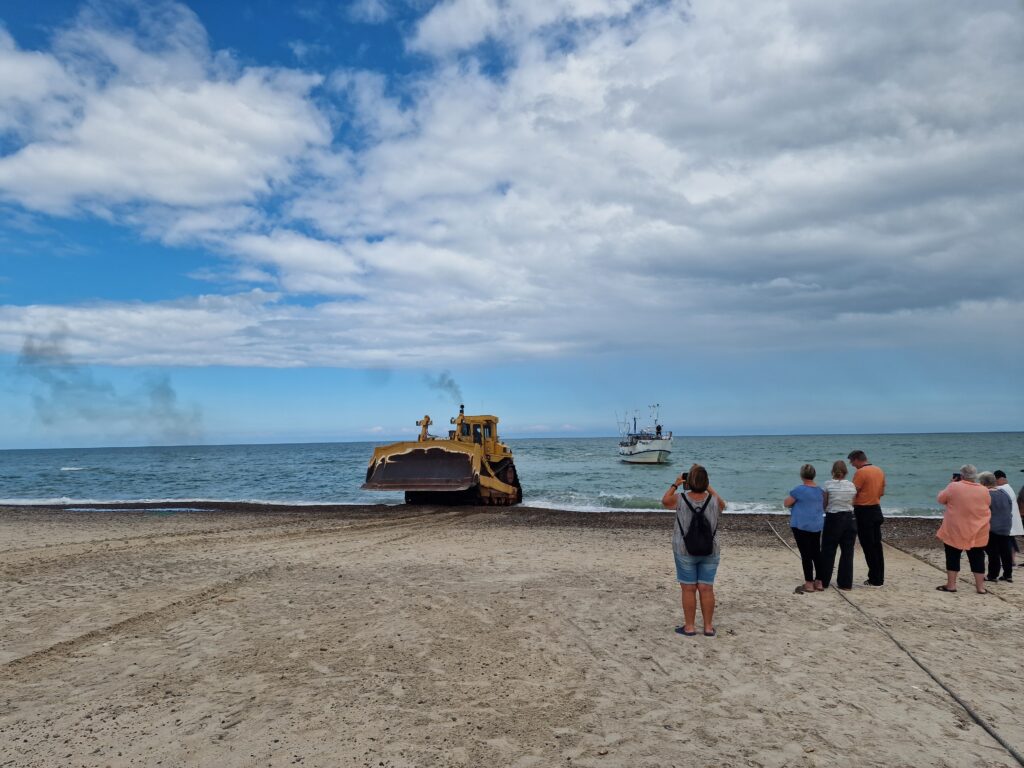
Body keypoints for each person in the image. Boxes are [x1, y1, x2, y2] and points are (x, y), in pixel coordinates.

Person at [662, 464, 727, 637]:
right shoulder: (714, 500)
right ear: (706, 482)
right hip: (710, 549)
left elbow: (665, 501)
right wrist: (707, 487)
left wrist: (676, 483)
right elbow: (723, 505)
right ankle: (708, 627)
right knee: (706, 588)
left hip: (684, 549)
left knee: (688, 588)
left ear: (688, 481)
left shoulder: (680, 498)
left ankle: (689, 627)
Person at [936, 465, 991, 594]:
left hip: (956, 528)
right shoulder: (983, 490)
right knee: (978, 558)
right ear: (975, 476)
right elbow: (988, 503)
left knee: (952, 556)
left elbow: (941, 499)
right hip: (978, 528)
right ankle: (980, 588)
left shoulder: (954, 486)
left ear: (961, 476)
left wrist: (950, 484)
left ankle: (951, 585)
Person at [784, 464, 826, 594]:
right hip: (816, 524)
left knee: (805, 554)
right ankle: (819, 581)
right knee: (816, 553)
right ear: (814, 475)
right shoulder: (820, 491)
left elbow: (787, 503)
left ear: (802, 475)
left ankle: (809, 583)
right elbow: (823, 505)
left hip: (801, 524)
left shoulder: (799, 489)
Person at [848, 450, 886, 587]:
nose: (852, 465)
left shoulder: (861, 472)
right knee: (877, 545)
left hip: (864, 511)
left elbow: (853, 492)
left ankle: (874, 578)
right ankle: (879, 576)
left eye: (852, 462)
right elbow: (881, 492)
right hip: (876, 508)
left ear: (857, 459)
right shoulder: (879, 470)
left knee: (868, 546)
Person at [820, 460, 858, 590]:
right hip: (849, 518)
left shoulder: (827, 484)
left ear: (833, 471)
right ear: (846, 472)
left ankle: (824, 581)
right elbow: (853, 502)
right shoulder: (852, 485)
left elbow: (824, 503)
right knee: (847, 551)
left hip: (833, 518)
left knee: (828, 550)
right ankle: (846, 583)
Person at [980, 472, 1013, 582]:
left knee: (993, 552)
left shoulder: (987, 494)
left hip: (993, 526)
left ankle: (992, 575)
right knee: (1005, 551)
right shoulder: (1004, 492)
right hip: (1006, 525)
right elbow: (1010, 507)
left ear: (983, 483)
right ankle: (1008, 574)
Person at [994, 470, 1023, 566]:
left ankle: (1011, 560)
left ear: (1001, 479)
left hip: (1008, 519)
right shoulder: (1007, 487)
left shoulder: (1002, 488)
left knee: (1008, 540)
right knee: (1011, 539)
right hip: (1012, 518)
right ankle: (1012, 560)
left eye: (996, 480)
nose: (995, 482)